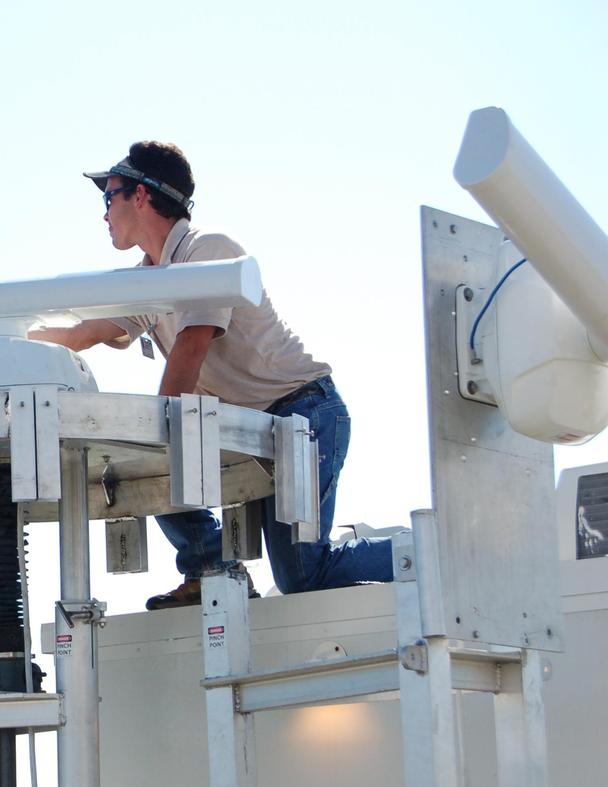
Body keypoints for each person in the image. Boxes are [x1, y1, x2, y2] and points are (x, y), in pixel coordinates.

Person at [33, 141, 393, 607]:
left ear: (140, 196)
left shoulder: (208, 251)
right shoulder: (148, 276)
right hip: (256, 426)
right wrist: (7, 339)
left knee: (302, 573)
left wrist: (156, 443)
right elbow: (83, 333)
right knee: (151, 459)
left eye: (109, 196)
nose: (104, 214)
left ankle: (423, 553)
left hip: (304, 413)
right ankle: (211, 567)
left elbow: (191, 346)